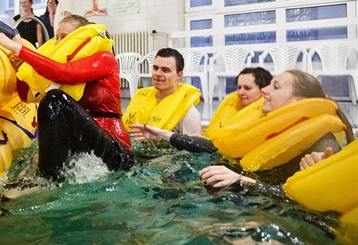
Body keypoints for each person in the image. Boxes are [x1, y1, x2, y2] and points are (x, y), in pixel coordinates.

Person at [0, 15, 134, 180]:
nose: (58, 43)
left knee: (55, 100)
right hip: (82, 148)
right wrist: (22, 66)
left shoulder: (105, 59)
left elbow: (65, 73)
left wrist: (18, 49)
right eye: (56, 37)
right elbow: (25, 95)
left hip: (116, 152)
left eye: (64, 37)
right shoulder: (57, 65)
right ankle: (43, 178)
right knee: (50, 100)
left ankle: (43, 183)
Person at [199, 69, 354, 189]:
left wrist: (242, 181)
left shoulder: (323, 149)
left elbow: (302, 203)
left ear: (298, 102)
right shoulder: (272, 130)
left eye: (276, 87)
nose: (265, 90)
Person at [129, 67, 272, 153]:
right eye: (239, 87)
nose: (240, 92)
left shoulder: (266, 120)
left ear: (264, 90)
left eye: (247, 88)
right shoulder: (234, 111)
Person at [124, 48, 202, 136]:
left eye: (165, 70)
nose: (157, 73)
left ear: (179, 75)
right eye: (155, 68)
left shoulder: (189, 114)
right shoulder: (141, 99)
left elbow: (193, 147)